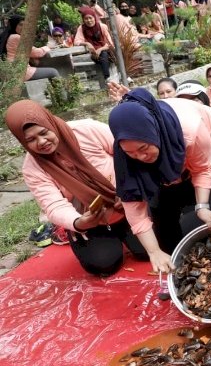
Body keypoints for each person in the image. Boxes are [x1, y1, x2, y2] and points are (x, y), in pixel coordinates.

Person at [107, 88, 211, 274]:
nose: (140, 157)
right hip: (177, 158)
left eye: (143, 148)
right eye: (131, 153)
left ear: (154, 132)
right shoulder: (127, 159)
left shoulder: (190, 130)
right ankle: (174, 269)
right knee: (160, 210)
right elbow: (135, 212)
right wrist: (154, 251)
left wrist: (202, 206)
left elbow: (203, 168)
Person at [5, 100, 148, 277]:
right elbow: (53, 204)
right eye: (31, 140)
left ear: (51, 123)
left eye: (43, 132)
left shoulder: (87, 130)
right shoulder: (33, 168)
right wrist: (78, 222)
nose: (42, 142)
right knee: (104, 264)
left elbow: (129, 153)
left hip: (130, 203)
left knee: (148, 251)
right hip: (90, 222)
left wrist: (128, 187)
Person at [0, 16, 60, 82]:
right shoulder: (16, 37)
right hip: (19, 72)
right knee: (53, 72)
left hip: (11, 71)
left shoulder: (8, 37)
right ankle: (60, 92)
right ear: (14, 25)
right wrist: (48, 47)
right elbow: (36, 52)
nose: (23, 27)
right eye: (20, 25)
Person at [75, 6, 114, 81]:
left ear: (94, 17)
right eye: (86, 19)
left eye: (90, 18)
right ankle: (107, 79)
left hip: (106, 52)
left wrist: (100, 49)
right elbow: (76, 42)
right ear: (83, 19)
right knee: (99, 57)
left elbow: (109, 43)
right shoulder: (81, 28)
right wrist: (87, 43)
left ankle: (107, 78)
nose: (89, 21)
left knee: (104, 54)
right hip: (93, 54)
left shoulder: (102, 26)